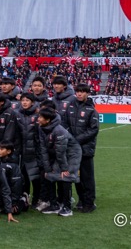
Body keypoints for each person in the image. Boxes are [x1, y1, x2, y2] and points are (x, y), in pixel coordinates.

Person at [37, 107, 82, 217]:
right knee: (48, 175)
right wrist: (47, 168)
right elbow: (43, 149)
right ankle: (54, 205)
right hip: (59, 154)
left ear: (47, 120)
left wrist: (65, 168)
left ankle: (67, 207)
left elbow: (61, 152)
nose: (38, 119)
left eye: (40, 117)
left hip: (71, 154)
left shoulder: (59, 130)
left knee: (66, 177)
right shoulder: (41, 128)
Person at [66, 83, 99, 213]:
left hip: (86, 150)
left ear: (87, 93)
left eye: (82, 92)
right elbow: (65, 124)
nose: (79, 94)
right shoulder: (71, 107)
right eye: (78, 91)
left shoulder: (92, 110)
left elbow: (93, 130)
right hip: (73, 149)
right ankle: (81, 200)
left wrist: (76, 140)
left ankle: (89, 203)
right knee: (76, 177)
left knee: (87, 177)